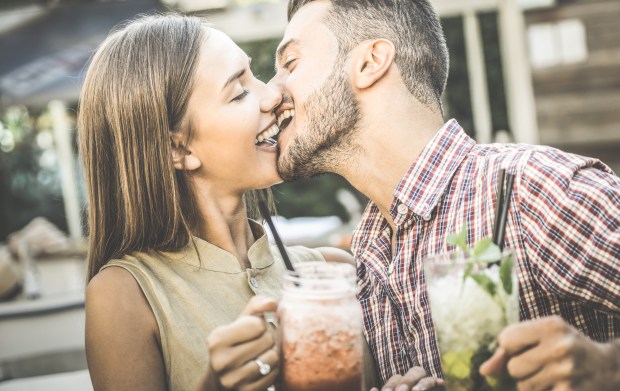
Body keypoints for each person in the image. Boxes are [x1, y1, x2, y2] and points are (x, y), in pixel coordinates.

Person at [79, 13, 442, 391]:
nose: (273, 95)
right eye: (239, 92)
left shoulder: (335, 272)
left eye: (253, 75)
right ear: (178, 148)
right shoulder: (124, 297)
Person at [269, 0, 620, 389]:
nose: (270, 94)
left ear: (370, 63)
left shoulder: (535, 189)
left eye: (291, 63)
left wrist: (607, 368)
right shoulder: (369, 254)